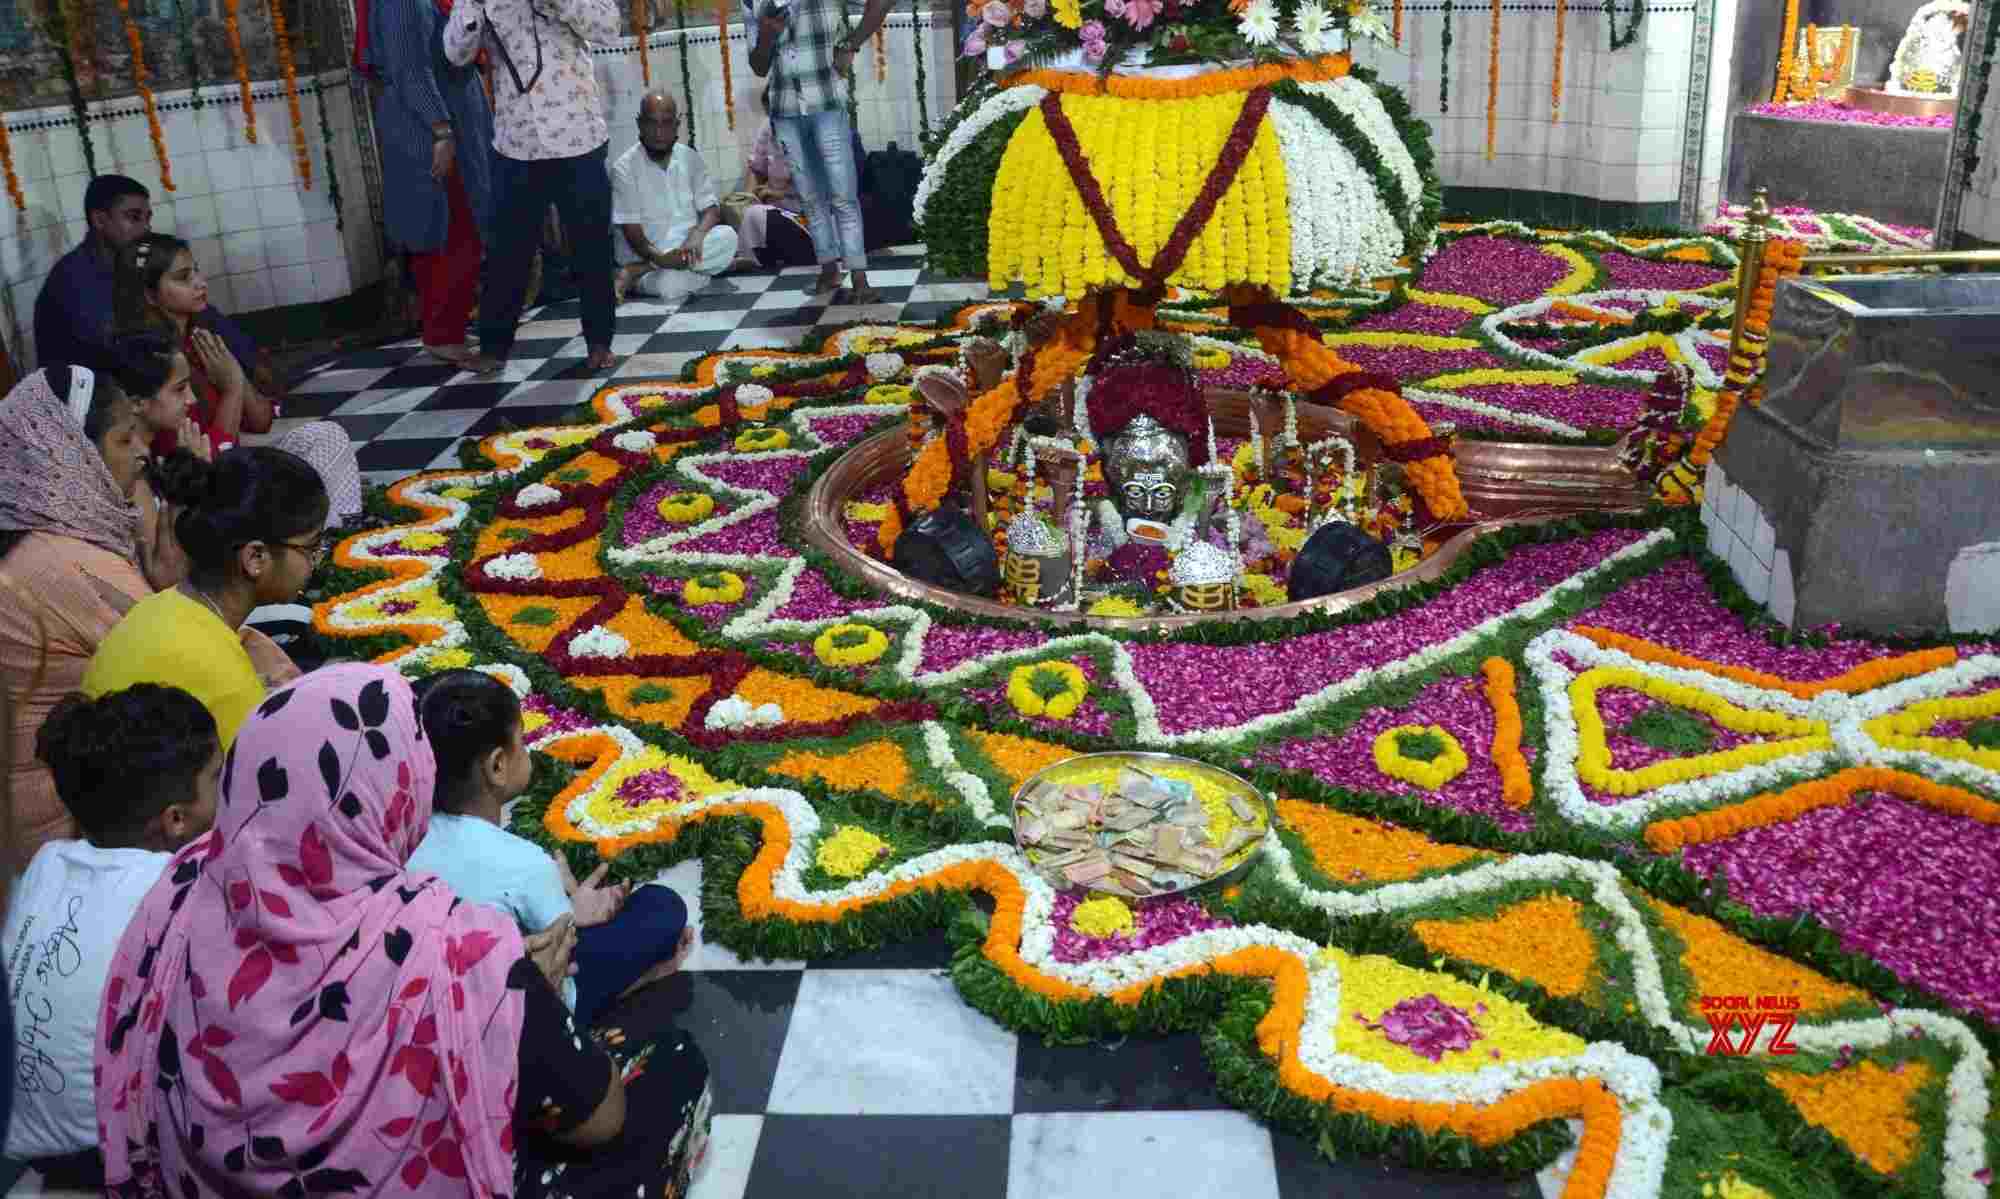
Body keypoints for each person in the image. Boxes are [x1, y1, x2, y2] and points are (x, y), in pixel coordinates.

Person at [95, 664, 715, 1199]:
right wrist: (527, 995)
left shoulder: (175, 900)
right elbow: (595, 1119)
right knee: (670, 1067)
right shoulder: (453, 945)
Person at [0, 687, 221, 1189]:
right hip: (102, 1152)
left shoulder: (48, 862)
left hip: (20, 1129)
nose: (227, 794)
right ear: (176, 819)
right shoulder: (176, 888)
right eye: (217, 779)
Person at [407, 669, 696, 1027]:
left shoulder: (390, 833)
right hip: (515, 1022)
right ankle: (642, 984)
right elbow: (560, 965)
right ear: (498, 766)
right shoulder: (522, 862)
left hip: (422, 1002)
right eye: (522, 740)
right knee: (661, 906)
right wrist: (575, 913)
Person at [0, 364, 183, 871]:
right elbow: (186, 662)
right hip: (62, 832)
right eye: (124, 439)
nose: (144, 452)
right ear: (69, 458)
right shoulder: (61, 563)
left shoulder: (37, 535)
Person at [80, 447, 326, 749]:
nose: (316, 561)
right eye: (311, 548)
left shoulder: (163, 605)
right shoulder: (227, 682)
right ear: (256, 557)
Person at [114, 240, 363, 524]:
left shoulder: (201, 338)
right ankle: (323, 547)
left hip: (229, 464)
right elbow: (212, 460)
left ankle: (342, 540)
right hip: (197, 488)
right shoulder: (154, 360)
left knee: (325, 438)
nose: (200, 283)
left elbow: (261, 420)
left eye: (196, 271)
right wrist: (231, 389)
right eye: (183, 278)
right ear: (150, 295)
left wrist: (235, 375)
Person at [445, 0, 622, 374]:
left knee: (591, 248)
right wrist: (473, 9)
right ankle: (494, 347)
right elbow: (456, 53)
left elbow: (608, 26)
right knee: (507, 253)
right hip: (517, 143)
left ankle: (600, 342)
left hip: (579, 136)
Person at [368, 0, 498, 370]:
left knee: (463, 226)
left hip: (454, 121)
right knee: (448, 230)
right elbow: (409, 67)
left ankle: (449, 327)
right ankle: (442, 335)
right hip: (429, 128)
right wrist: (440, 128)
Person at [32, 175, 259, 378]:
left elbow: (203, 314)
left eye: (147, 218)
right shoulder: (74, 280)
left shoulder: (135, 260)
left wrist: (252, 361)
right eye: (134, 217)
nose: (146, 228)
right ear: (100, 221)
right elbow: (120, 352)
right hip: (94, 403)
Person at [748, 0, 893, 304]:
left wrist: (851, 45)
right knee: (809, 196)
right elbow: (759, 66)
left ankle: (859, 277)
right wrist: (766, 36)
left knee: (843, 194)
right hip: (785, 109)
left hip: (826, 102)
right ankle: (829, 269)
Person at [611, 91, 740, 306]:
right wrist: (660, 259)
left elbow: (711, 209)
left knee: (727, 237)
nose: (659, 132)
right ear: (640, 124)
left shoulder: (690, 158)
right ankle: (702, 268)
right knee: (669, 286)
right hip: (648, 253)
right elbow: (632, 232)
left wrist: (697, 236)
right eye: (652, 124)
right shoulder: (624, 168)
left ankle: (634, 273)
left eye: (666, 123)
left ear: (677, 124)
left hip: (687, 249)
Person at [731, 83, 818, 269]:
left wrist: (781, 193)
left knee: (761, 218)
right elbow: (756, 167)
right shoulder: (768, 127)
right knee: (751, 214)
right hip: (775, 212)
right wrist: (747, 199)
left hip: (809, 220)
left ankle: (761, 257)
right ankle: (755, 257)